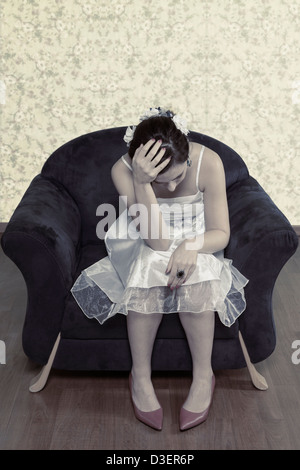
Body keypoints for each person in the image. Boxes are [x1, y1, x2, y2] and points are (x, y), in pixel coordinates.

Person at [71, 107, 248, 431]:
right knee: (150, 267)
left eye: (178, 177)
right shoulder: (123, 171)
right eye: (159, 182)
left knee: (195, 274)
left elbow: (221, 233)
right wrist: (140, 182)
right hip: (145, 237)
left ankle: (203, 375)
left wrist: (191, 246)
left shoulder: (208, 162)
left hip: (199, 236)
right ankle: (140, 376)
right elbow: (156, 240)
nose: (169, 188)